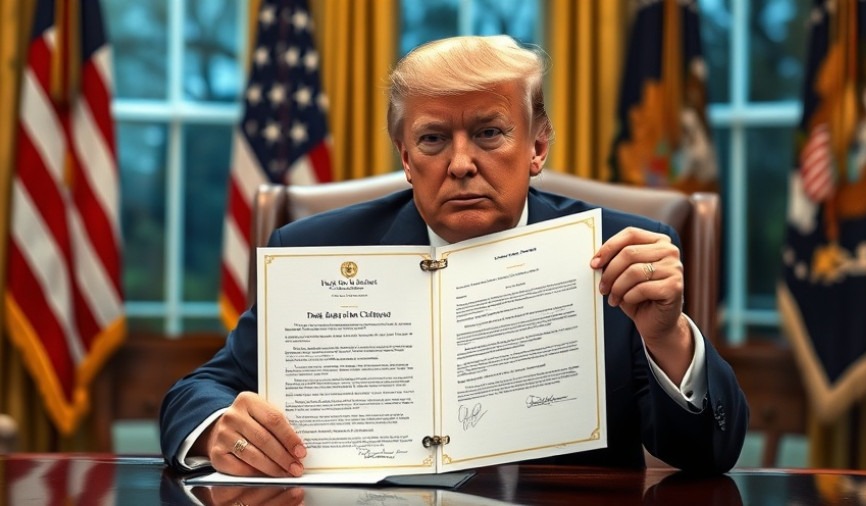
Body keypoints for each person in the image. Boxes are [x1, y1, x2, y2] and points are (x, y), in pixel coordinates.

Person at [160, 35, 748, 477]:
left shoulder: (621, 252)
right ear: (405, 156)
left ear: (538, 146)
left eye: (490, 133)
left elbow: (709, 457)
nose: (461, 162)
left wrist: (667, 338)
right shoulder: (311, 251)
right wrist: (218, 430)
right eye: (434, 138)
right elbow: (198, 392)